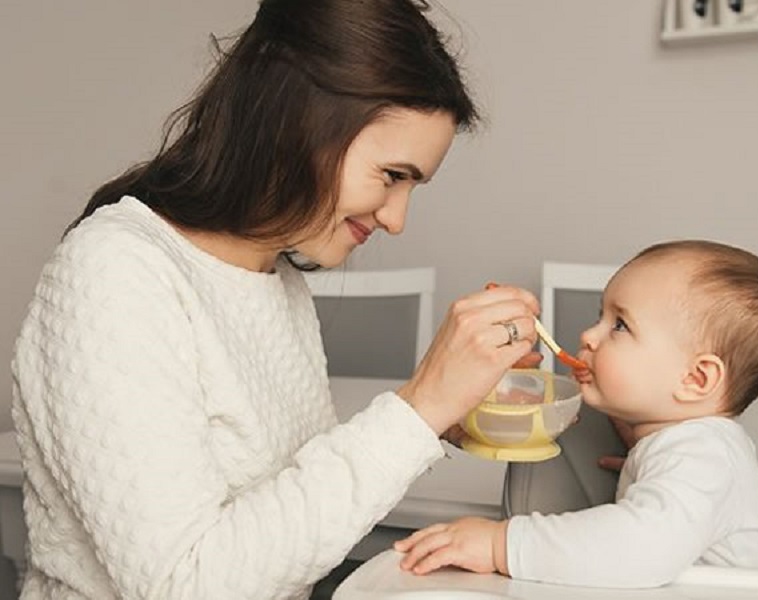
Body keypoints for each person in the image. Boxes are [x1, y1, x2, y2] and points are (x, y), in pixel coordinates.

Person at [10, 1, 544, 598]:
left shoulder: (274, 276)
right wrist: (417, 409)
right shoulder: (114, 270)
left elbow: (280, 507)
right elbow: (187, 583)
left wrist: (440, 414)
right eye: (392, 176)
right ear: (297, 124)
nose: (397, 218)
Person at [395, 240, 758, 588]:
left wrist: (500, 544)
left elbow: (641, 549)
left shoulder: (701, 453)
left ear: (696, 378)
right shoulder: (691, 447)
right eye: (600, 316)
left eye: (620, 325)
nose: (589, 335)